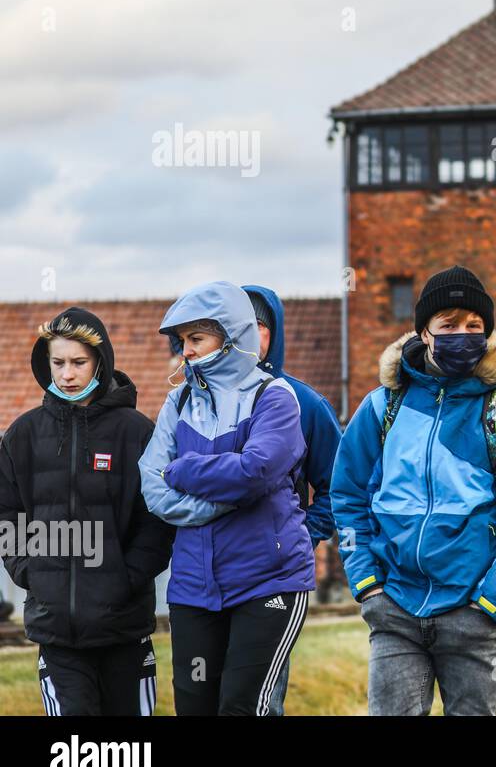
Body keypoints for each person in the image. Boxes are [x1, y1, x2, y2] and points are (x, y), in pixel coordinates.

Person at [331, 265, 496, 716]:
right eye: (450, 325)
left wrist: (491, 598)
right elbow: (348, 496)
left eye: (474, 326)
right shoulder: (383, 406)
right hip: (393, 609)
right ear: (425, 332)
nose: (463, 334)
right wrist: (365, 582)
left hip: (471, 613)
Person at [139, 282, 314, 715]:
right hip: (193, 590)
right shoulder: (177, 401)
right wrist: (219, 503)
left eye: (197, 339)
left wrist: (183, 470)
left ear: (232, 335)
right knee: (195, 708)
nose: (187, 352)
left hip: (269, 584)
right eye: (182, 342)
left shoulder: (275, 397)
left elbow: (253, 473)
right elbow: (151, 484)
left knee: (242, 708)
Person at [0, 308, 173, 715]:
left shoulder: (136, 432)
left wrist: (125, 577)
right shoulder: (22, 436)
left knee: (127, 761)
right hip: (56, 633)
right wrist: (31, 572)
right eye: (57, 363)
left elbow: (157, 519)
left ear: (100, 361)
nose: (67, 374)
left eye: (78, 362)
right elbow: (6, 514)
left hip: (123, 629)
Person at [243, 285, 343, 715]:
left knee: (260, 698)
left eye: (259, 327)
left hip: (273, 576)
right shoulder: (196, 400)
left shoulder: (305, 404)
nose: (248, 335)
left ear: (275, 334)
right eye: (238, 325)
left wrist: (302, 536)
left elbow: (340, 487)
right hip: (208, 577)